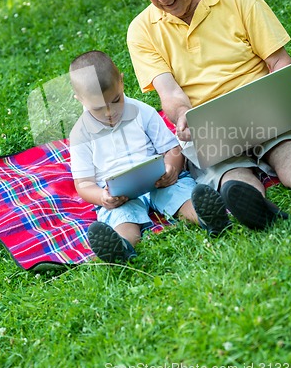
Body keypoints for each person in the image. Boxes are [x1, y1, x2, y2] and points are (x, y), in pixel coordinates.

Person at [122, 0, 291, 229]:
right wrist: (183, 116)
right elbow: (169, 94)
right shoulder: (141, 31)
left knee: (287, 148)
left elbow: (278, 61)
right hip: (208, 126)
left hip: (263, 106)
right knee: (229, 173)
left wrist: (281, 97)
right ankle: (253, 205)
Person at [69, 50, 230, 264]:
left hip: (158, 180)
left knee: (180, 195)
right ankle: (122, 247)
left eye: (115, 100)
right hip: (120, 196)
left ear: (121, 82)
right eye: (98, 108)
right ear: (80, 100)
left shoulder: (141, 111)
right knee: (123, 218)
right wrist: (102, 198)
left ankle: (209, 218)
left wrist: (172, 169)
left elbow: (171, 148)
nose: (109, 112)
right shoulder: (80, 133)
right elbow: (83, 183)